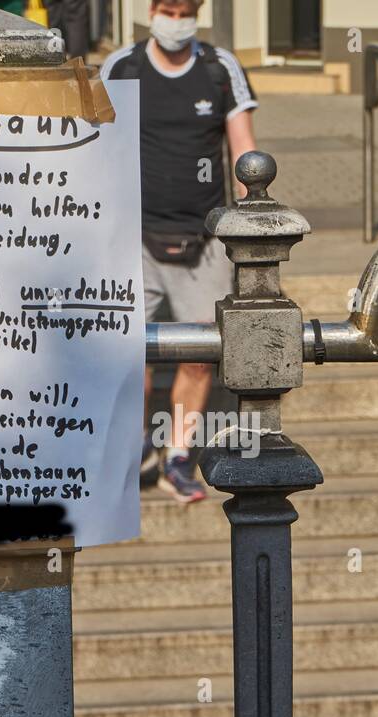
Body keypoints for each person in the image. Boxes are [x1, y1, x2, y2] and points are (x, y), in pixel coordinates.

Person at [101, 0, 257, 503]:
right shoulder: (122, 68)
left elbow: (244, 154)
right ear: (151, 10)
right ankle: (134, 450)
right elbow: (97, 145)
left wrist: (253, 227)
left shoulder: (219, 68)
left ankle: (176, 455)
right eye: (168, 8)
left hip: (204, 241)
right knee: (127, 355)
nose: (175, 18)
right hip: (132, 237)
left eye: (185, 9)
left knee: (198, 357)